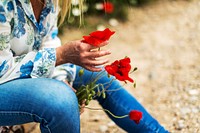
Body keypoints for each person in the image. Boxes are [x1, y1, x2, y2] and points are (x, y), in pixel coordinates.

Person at [0, 0, 169, 132]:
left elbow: (48, 41)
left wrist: (61, 77)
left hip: (20, 78)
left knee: (98, 76)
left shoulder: (48, 2)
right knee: (60, 99)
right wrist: (61, 55)